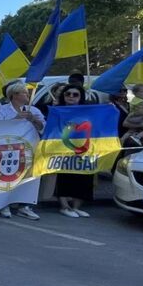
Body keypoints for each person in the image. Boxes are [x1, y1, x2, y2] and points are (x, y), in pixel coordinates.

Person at [0, 82, 44, 220]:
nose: (27, 95)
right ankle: (4, 204)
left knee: (28, 177)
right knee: (7, 176)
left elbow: (43, 128)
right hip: (8, 149)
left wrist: (33, 120)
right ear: (14, 95)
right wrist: (16, 119)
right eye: (24, 93)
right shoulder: (2, 110)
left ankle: (25, 206)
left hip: (29, 149)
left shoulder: (34, 110)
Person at [54, 85, 94, 217]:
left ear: (80, 97)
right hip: (62, 148)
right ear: (63, 96)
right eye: (68, 94)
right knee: (64, 177)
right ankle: (64, 206)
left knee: (84, 176)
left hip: (84, 149)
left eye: (75, 94)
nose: (71, 96)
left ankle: (76, 207)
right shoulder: (57, 110)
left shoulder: (88, 111)